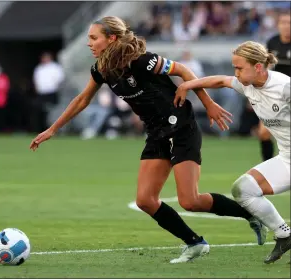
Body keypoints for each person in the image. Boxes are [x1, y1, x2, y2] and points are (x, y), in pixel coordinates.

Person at [30, 17, 266, 263]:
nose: (89, 43)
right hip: (156, 133)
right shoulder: (100, 69)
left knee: (190, 201)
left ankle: (250, 214)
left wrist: (208, 104)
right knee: (145, 200)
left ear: (111, 39)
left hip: (181, 127)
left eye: (93, 38)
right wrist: (53, 129)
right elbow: (82, 100)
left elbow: (183, 71)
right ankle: (195, 243)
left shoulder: (142, 61)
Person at [176, 40, 290, 264]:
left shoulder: (284, 87)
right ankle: (284, 234)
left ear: (258, 67)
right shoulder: (247, 84)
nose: (235, 73)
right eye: (234, 68)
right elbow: (219, 80)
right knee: (244, 189)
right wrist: (187, 85)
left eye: (239, 68)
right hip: (287, 158)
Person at [257, 11, 291, 162]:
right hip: (275, 95)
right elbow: (266, 68)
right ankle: (268, 167)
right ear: (278, 25)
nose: (286, 26)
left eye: (289, 23)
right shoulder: (272, 42)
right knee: (263, 132)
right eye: (283, 22)